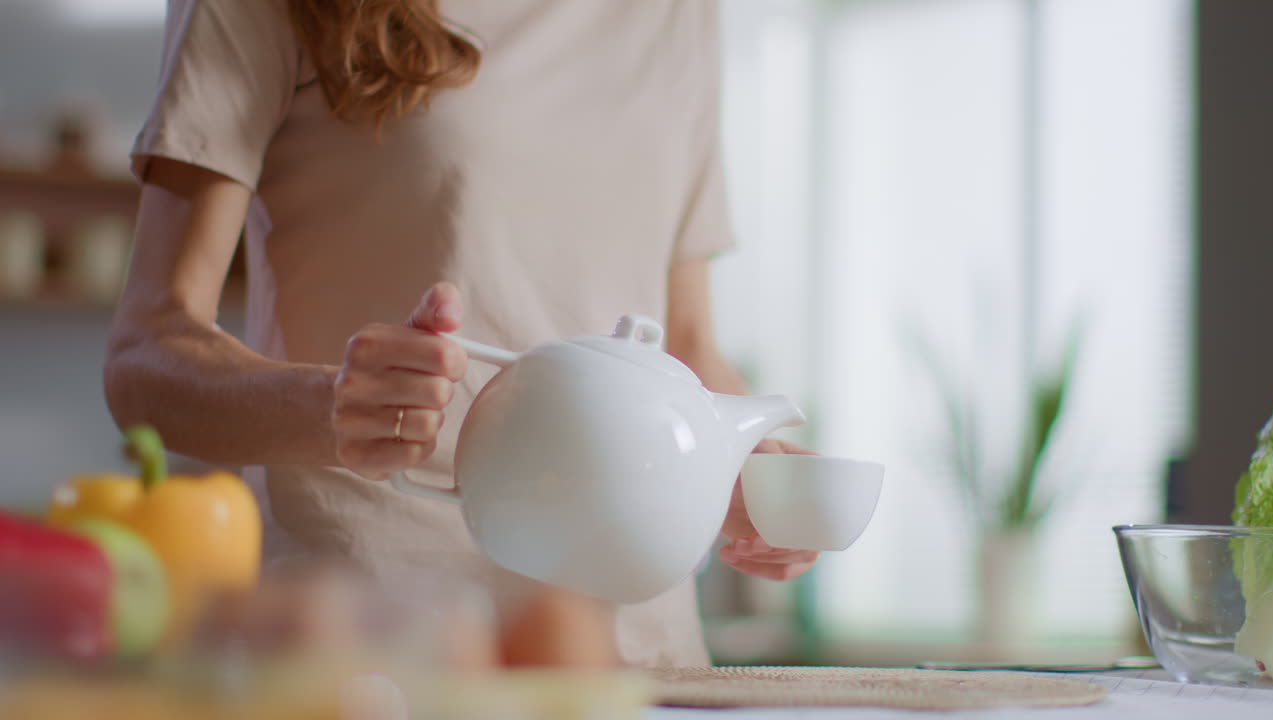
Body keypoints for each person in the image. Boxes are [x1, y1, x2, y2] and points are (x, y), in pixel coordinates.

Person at [105, 0, 818, 668]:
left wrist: (754, 470)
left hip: (639, 659)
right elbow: (146, 355)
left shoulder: (675, 13)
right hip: (375, 644)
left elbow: (686, 344)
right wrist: (329, 406)